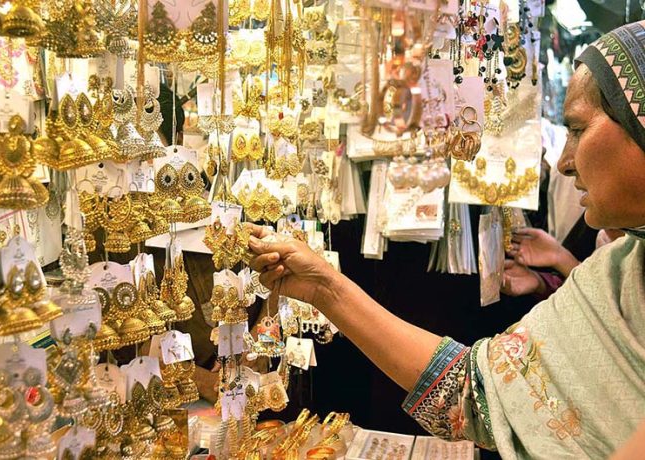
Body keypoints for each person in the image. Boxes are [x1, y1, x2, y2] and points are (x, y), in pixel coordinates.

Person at [249, 21, 645, 459]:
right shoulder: (613, 278)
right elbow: (473, 392)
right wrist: (326, 288)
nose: (565, 162)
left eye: (577, 128)